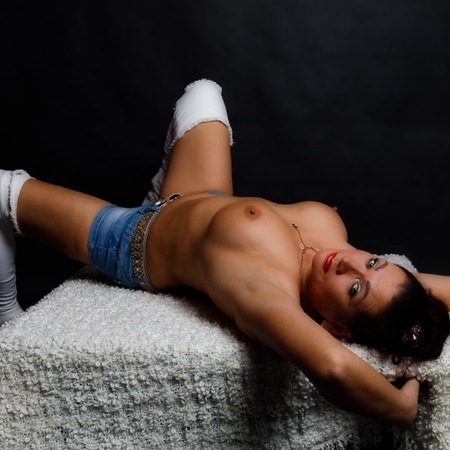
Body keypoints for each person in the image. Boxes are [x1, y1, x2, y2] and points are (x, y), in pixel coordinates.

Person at [1, 79, 449, 424]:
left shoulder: (268, 293)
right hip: (197, 194)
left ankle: (5, 315)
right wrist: (399, 294)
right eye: (373, 262)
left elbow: (333, 368)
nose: (348, 263)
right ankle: (158, 195)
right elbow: (419, 288)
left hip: (130, 238)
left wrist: (400, 407)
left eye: (354, 289)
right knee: (203, 92)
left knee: (3, 189)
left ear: (335, 326)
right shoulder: (347, 259)